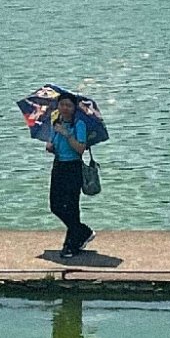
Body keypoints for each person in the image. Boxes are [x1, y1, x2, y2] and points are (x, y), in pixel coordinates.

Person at [43, 92, 95, 257]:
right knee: (55, 206)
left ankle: (72, 244)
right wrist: (51, 146)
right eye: (62, 104)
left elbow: (80, 149)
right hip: (59, 166)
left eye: (69, 105)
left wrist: (67, 134)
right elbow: (53, 145)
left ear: (74, 108)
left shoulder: (79, 125)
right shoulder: (55, 123)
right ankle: (83, 232)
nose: (65, 108)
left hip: (73, 168)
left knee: (72, 207)